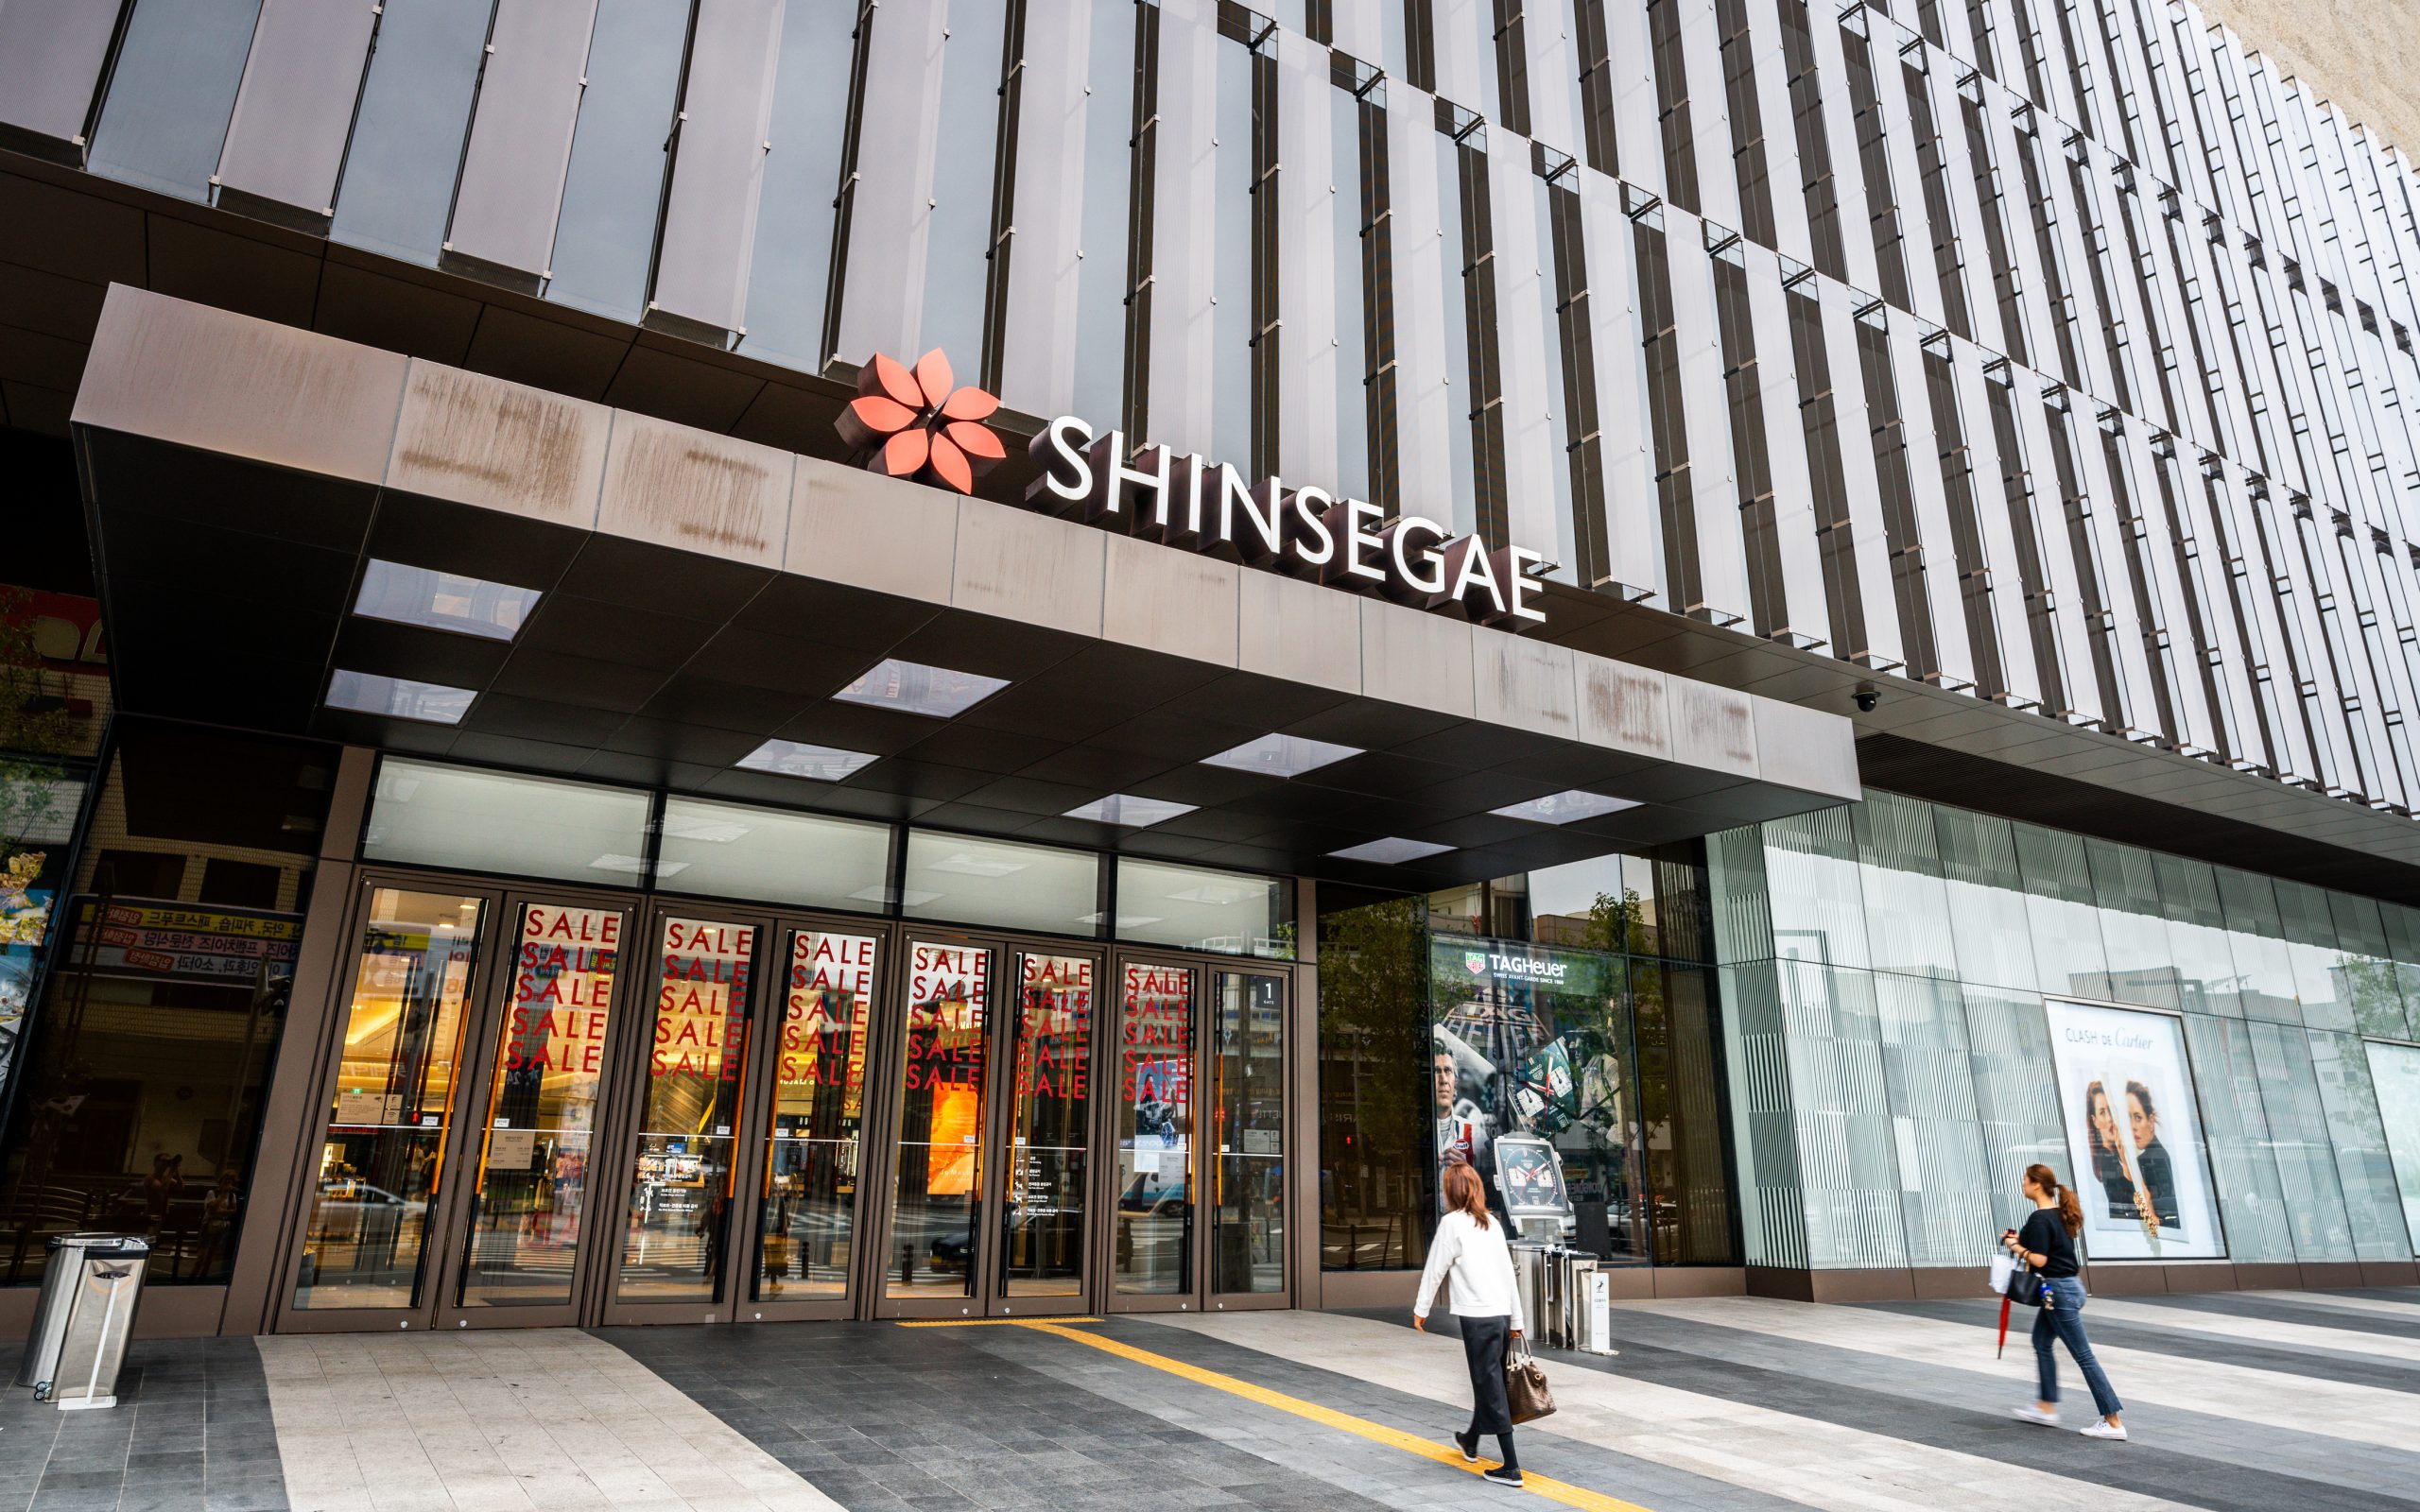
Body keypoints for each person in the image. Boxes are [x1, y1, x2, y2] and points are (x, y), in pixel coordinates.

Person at [1412, 1159, 1528, 1486]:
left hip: (1477, 1318)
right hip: (1500, 1315)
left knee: (1490, 1386)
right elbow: (1509, 1274)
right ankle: (1471, 1441)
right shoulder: (1492, 1223)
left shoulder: (1452, 1224)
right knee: (1488, 1381)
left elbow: (1435, 1268)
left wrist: (1421, 1308)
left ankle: (1511, 1467)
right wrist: (1516, 1319)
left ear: (1451, 1192)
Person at [2003, 1162, 2127, 1440]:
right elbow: (2049, 1247)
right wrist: (2021, 1241)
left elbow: (2040, 1259)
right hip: (2069, 1287)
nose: (2022, 1184)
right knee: (2041, 1341)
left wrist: (2014, 1246)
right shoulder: (2058, 1214)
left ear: (2037, 1184)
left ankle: (2113, 1421)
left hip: (2058, 1293)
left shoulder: (2040, 1218)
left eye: (2025, 1180)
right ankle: (2046, 1408)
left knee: (2084, 1356)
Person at [2125, 1081, 2180, 1227]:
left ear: (2150, 1121)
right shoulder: (2155, 1155)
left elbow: (2170, 1202)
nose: (2133, 1126)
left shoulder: (2153, 1158)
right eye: (2129, 1118)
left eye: (2138, 1117)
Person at [2083, 1082, 2135, 1219]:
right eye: (2102, 1112)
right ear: (2095, 1121)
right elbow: (2126, 1201)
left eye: (2111, 1110)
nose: (2110, 1119)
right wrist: (2124, 1160)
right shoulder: (2105, 1158)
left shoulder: (2116, 1152)